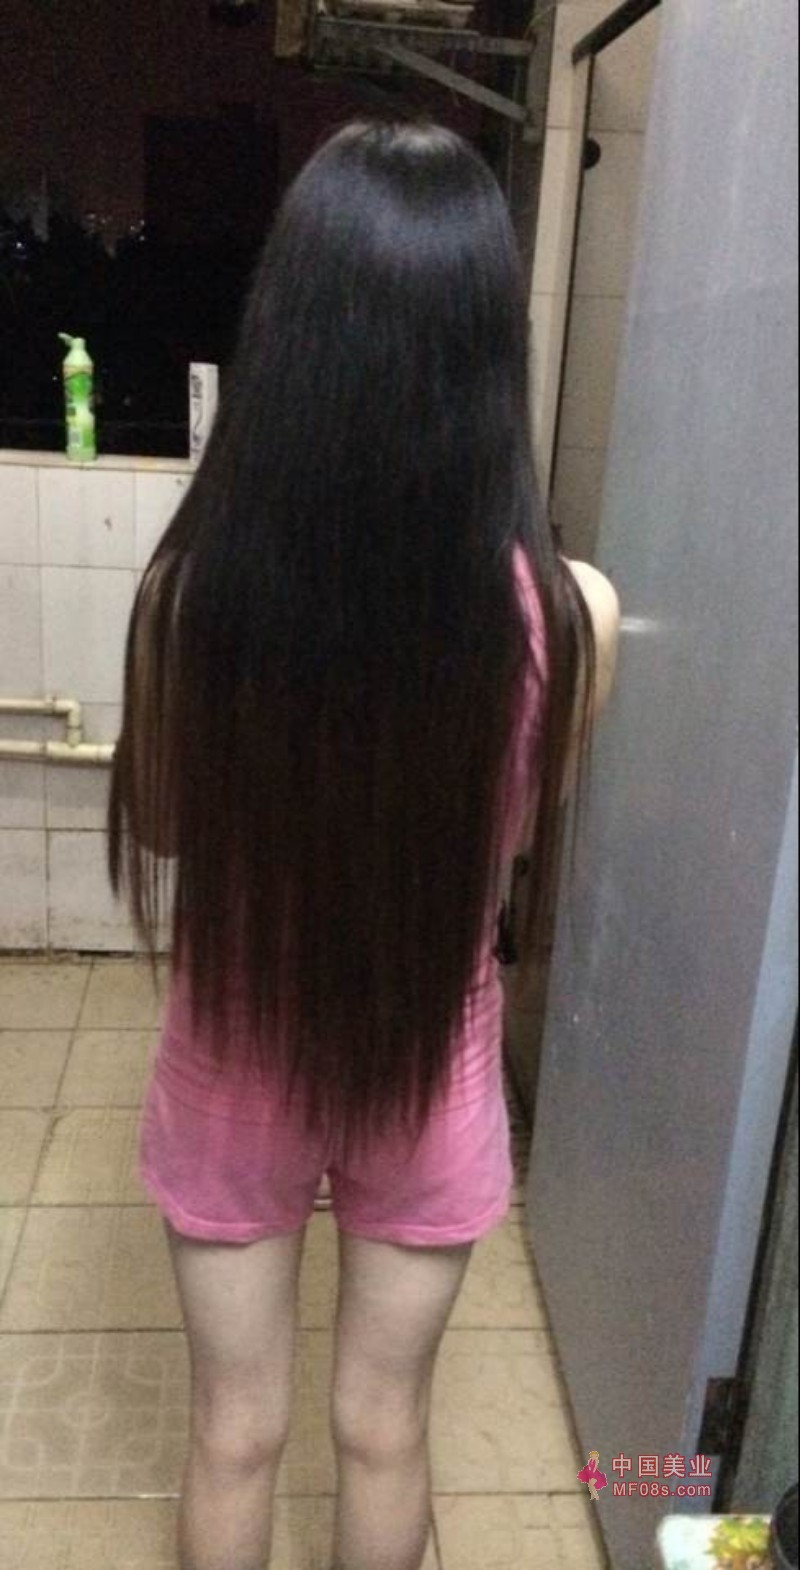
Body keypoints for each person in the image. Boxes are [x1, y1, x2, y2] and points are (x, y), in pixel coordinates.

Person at [108, 117, 620, 1570]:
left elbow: (163, 825)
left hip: (234, 1049)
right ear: (486, 349)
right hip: (430, 1057)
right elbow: (504, 844)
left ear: (288, 339)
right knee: (386, 1428)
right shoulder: (573, 614)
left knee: (233, 1432)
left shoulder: (190, 598)